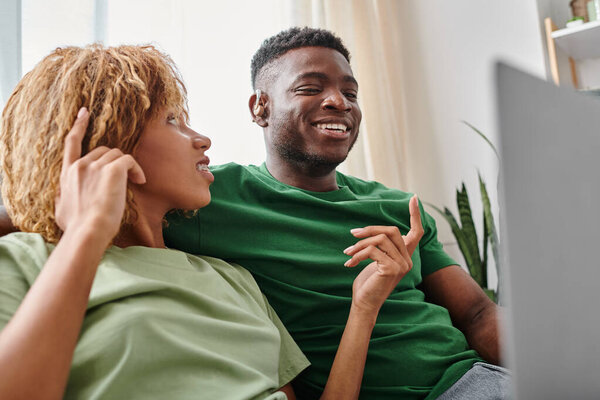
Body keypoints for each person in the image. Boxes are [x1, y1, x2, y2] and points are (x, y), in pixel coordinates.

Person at [0, 44, 421, 400]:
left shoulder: (230, 276)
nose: (202, 139)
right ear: (106, 143)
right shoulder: (25, 263)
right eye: (171, 121)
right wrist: (85, 235)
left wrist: (364, 308)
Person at [163, 27, 511, 399]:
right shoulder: (211, 196)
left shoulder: (398, 206)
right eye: (311, 88)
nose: (339, 102)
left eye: (351, 93)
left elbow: (476, 313)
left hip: (477, 380)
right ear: (260, 107)